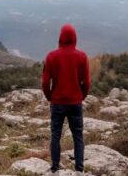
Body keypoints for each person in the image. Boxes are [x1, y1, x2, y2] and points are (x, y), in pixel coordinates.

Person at [41, 23, 90, 173]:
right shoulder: (82, 56)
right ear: (75, 37)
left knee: (55, 135)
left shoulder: (51, 56)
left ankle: (55, 167)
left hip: (57, 102)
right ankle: (79, 170)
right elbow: (87, 82)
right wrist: (81, 96)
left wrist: (50, 97)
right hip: (75, 103)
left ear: (60, 37)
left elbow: (44, 82)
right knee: (78, 137)